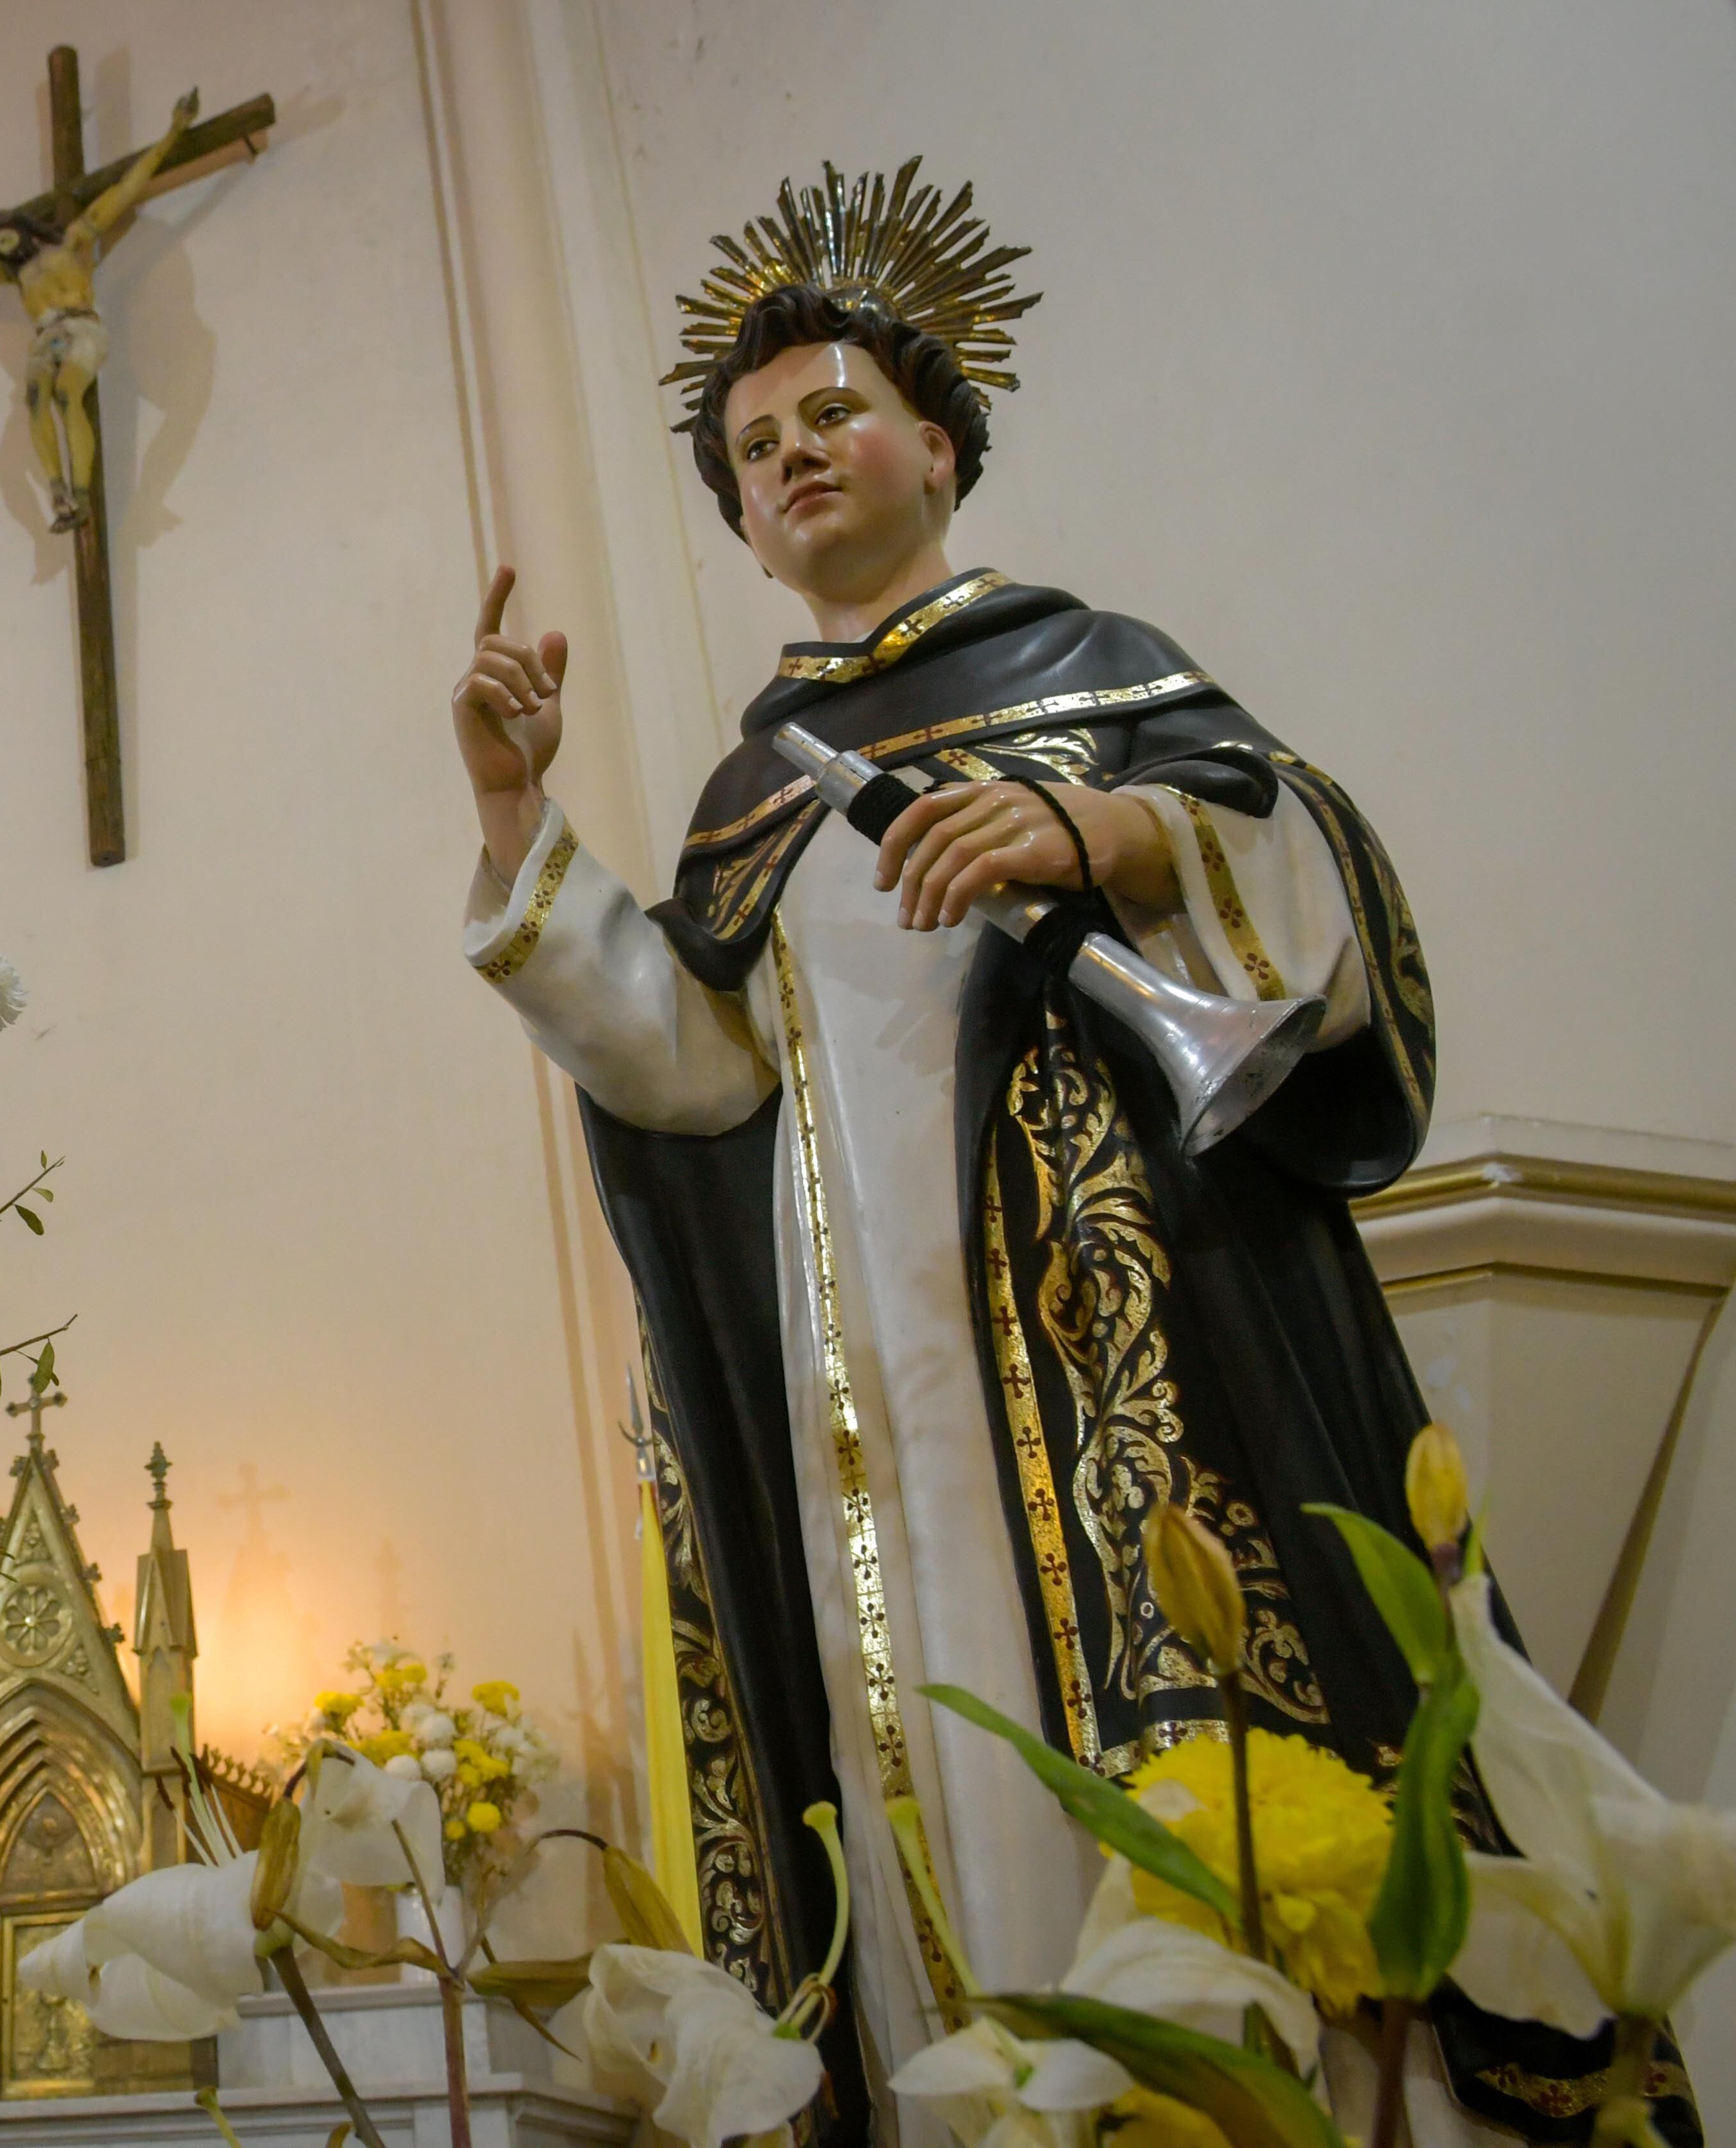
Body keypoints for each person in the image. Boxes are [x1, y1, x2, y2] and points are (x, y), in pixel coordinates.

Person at [451, 182, 1671, 2145]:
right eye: (754, 450)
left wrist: (1091, 829)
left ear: (935, 443)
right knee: (925, 1741)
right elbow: (694, 1075)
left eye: (828, 417)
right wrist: (516, 817)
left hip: (1127, 1350)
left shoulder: (1094, 663)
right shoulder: (754, 788)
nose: (792, 460)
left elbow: (1307, 881)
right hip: (872, 1400)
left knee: (1174, 1751)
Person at [0, 88, 199, 532]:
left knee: (67, 394)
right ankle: (59, 487)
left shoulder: (72, 241)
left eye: (6, 237)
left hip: (81, 326)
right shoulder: (14, 275)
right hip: (47, 336)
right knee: (35, 400)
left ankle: (81, 493)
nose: (4, 247)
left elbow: (126, 189)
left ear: (22, 229)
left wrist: (173, 134)